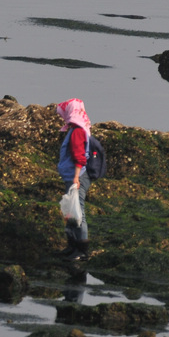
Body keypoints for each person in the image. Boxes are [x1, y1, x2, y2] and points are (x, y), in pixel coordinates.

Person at [55, 98, 92, 261]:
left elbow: (80, 157)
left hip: (77, 177)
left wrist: (76, 177)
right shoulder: (77, 128)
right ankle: (72, 246)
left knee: (78, 212)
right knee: (70, 212)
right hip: (72, 176)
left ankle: (82, 250)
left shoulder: (77, 131)